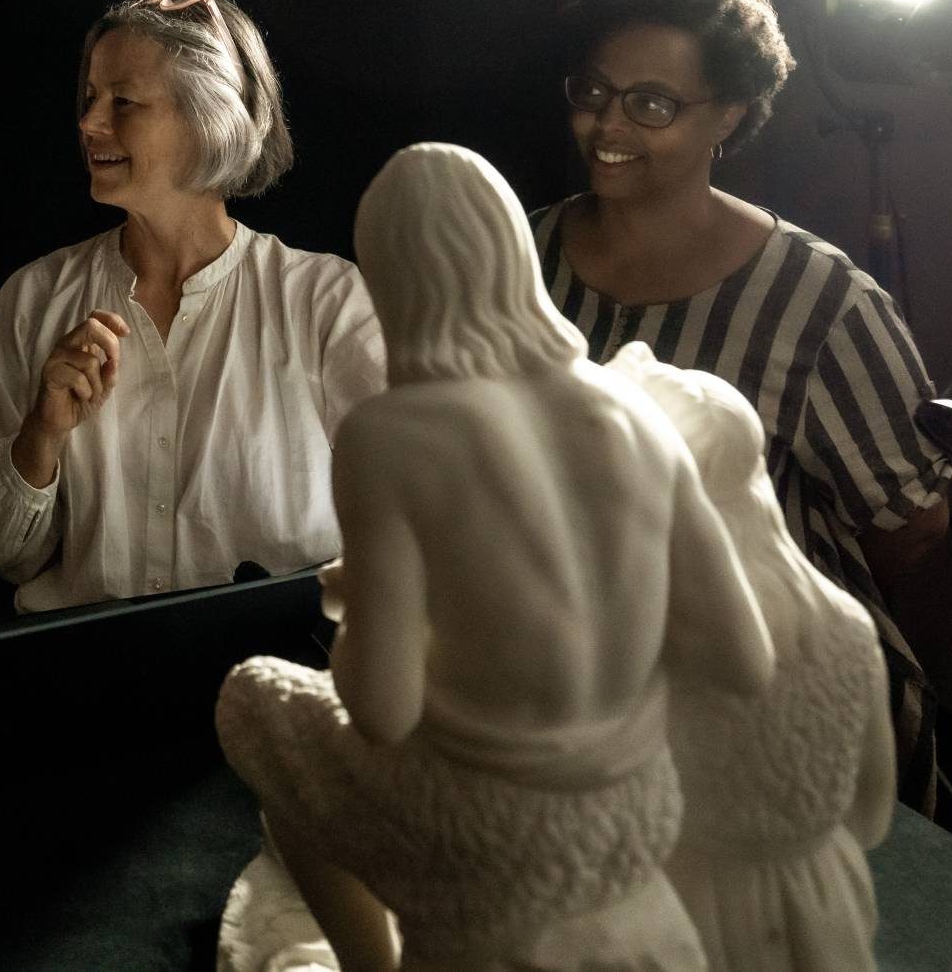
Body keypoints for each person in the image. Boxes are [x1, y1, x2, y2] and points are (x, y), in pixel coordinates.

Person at [217, 144, 774, 972]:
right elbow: (743, 659)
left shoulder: (390, 435)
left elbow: (382, 710)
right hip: (637, 810)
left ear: (396, 280)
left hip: (488, 823)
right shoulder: (633, 411)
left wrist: (362, 606)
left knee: (254, 703)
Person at [531, 0, 950, 805]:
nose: (607, 127)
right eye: (594, 92)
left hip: (770, 720)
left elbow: (911, 522)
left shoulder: (820, 300)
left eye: (652, 103)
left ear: (730, 114)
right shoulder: (522, 253)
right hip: (562, 688)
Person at [0, 0, 385, 609]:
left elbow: (425, 511)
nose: (90, 123)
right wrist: (40, 437)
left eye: (123, 102)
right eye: (91, 97)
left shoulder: (323, 301)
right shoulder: (35, 296)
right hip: (84, 682)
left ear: (210, 121)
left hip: (262, 679)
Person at [611, 341, 896, 972]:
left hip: (685, 907)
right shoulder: (847, 624)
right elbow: (872, 815)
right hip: (825, 898)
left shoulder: (646, 641)